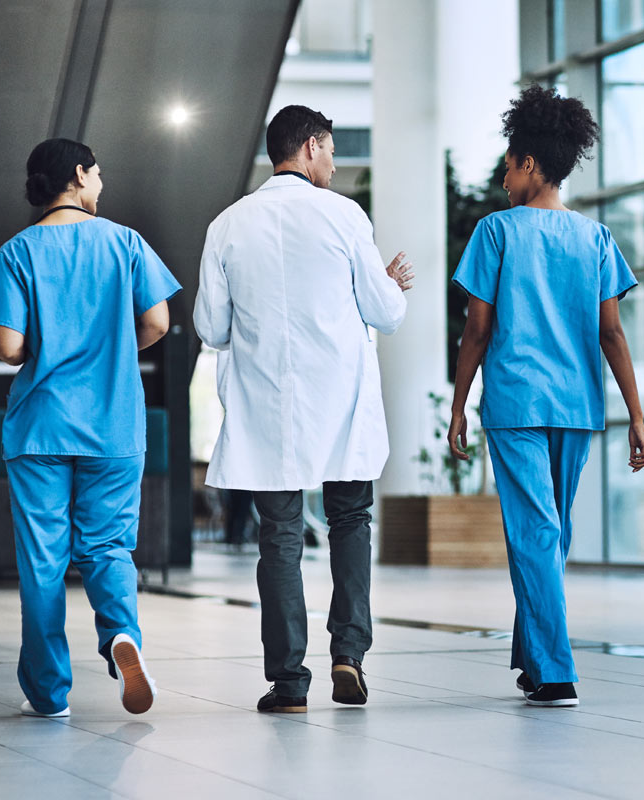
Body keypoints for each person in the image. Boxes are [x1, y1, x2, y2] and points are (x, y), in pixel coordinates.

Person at [193, 105, 412, 712]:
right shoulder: (344, 216)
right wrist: (388, 283)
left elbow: (210, 326)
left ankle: (288, 683)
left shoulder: (227, 225)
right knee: (350, 522)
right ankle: (349, 654)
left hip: (269, 407)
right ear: (311, 146)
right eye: (333, 151)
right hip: (341, 404)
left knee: (280, 538)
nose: (335, 164)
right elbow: (385, 311)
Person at [448, 85, 644, 707]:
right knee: (549, 537)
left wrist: (457, 405)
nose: (505, 179)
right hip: (577, 406)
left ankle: (557, 672)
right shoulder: (595, 240)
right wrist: (635, 419)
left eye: (509, 166)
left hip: (515, 405)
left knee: (537, 535)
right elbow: (611, 333)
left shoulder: (495, 232)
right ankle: (534, 660)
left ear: (530, 164)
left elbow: (477, 329)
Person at [0, 138, 181, 717]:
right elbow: (158, 322)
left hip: (39, 428)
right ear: (78, 175)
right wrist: (113, 347)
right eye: (97, 174)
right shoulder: (126, 243)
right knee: (108, 546)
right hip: (113, 424)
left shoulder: (16, 253)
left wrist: (46, 350)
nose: (101, 184)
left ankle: (47, 694)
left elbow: (8, 346)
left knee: (42, 560)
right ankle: (122, 639)